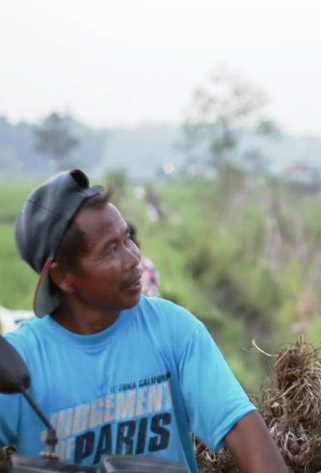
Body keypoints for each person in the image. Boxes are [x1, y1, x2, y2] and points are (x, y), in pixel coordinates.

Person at [0, 170, 287, 473]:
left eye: (127, 238)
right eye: (111, 249)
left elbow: (241, 426)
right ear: (63, 276)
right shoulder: (18, 362)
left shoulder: (172, 329)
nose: (134, 257)